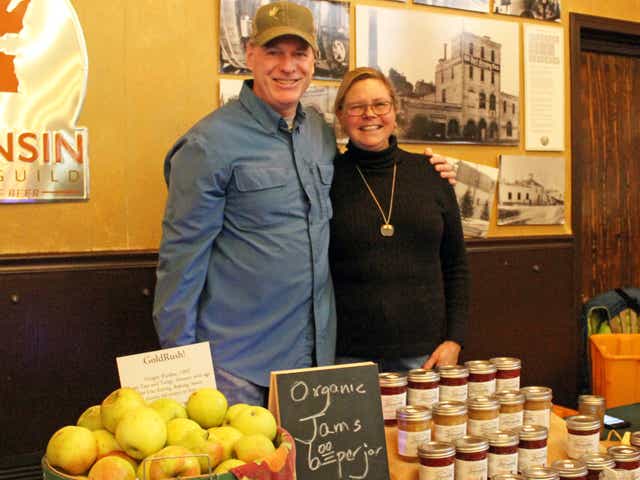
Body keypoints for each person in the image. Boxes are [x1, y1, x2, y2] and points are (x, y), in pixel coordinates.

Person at [153, 2, 456, 406]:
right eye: (274, 52)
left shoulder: (318, 133)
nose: (287, 66)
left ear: (314, 60)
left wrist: (430, 168)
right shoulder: (208, 145)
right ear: (249, 55)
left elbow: (372, 164)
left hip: (315, 361)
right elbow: (181, 262)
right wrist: (181, 370)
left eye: (299, 54)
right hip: (235, 367)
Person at [329, 67, 470, 372]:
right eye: (356, 107)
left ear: (395, 111)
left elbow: (456, 264)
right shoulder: (326, 178)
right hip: (347, 356)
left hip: (427, 356)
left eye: (380, 104)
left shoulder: (432, 174)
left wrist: (455, 340)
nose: (370, 114)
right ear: (341, 115)